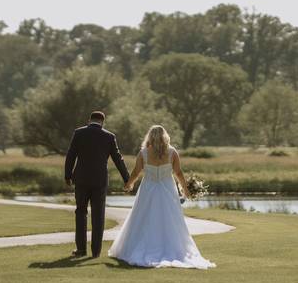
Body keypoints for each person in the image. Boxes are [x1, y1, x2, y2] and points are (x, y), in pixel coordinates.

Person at [107, 125, 215, 269]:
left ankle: (143, 246)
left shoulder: (144, 153)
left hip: (148, 189)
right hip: (167, 191)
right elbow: (178, 173)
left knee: (144, 218)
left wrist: (129, 184)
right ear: (165, 136)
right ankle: (172, 248)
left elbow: (135, 173)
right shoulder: (172, 152)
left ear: (150, 137)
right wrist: (185, 188)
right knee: (170, 219)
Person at [64, 111, 130, 258]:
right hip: (100, 181)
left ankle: (81, 250)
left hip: (81, 179)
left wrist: (67, 175)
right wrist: (127, 179)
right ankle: (96, 252)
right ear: (103, 122)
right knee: (98, 215)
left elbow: (71, 155)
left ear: (89, 120)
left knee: (81, 212)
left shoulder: (79, 133)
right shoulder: (109, 136)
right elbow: (118, 159)